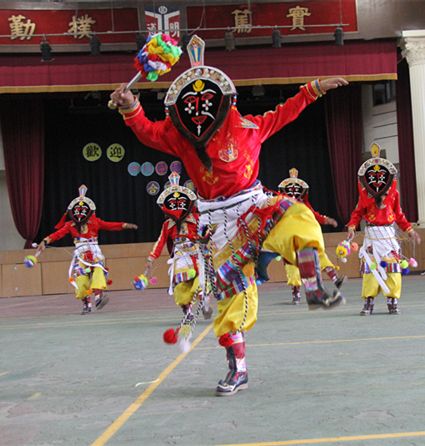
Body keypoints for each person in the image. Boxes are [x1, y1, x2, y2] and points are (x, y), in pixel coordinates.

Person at [110, 35, 348, 396]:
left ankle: (313, 285)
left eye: (207, 103)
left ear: (223, 103)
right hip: (218, 225)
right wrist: (130, 106)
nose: (199, 111)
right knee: (234, 298)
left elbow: (285, 112)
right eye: (192, 105)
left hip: (254, 206)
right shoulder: (179, 135)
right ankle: (238, 369)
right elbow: (146, 130)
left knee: (297, 217)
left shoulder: (249, 127)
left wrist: (313, 89)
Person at [36, 185, 138, 314]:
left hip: (94, 253)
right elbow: (57, 234)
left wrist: (124, 225)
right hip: (80, 255)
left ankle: (98, 296)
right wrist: (45, 241)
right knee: (80, 277)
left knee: (98, 269)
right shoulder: (70, 225)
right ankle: (86, 303)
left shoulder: (94, 222)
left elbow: (110, 225)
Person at [346, 143, 420, 316]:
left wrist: (410, 230)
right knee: (371, 269)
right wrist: (351, 227)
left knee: (393, 268)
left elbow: (399, 215)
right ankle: (369, 301)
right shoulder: (365, 195)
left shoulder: (394, 194)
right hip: (372, 236)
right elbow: (357, 213)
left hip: (388, 236)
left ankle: (392, 300)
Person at [141, 171, 212, 321]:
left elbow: (207, 233)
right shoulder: (168, 224)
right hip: (180, 256)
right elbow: (160, 241)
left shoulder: (197, 218)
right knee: (180, 283)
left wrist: (207, 237)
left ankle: (205, 303)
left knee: (202, 280)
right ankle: (188, 311)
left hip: (197, 253)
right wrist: (151, 257)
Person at [277, 168, 346, 304]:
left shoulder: (304, 205)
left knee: (320, 256)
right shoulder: (281, 205)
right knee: (292, 265)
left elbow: (315, 215)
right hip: (290, 239)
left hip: (305, 237)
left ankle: (335, 278)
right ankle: (296, 293)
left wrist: (327, 220)